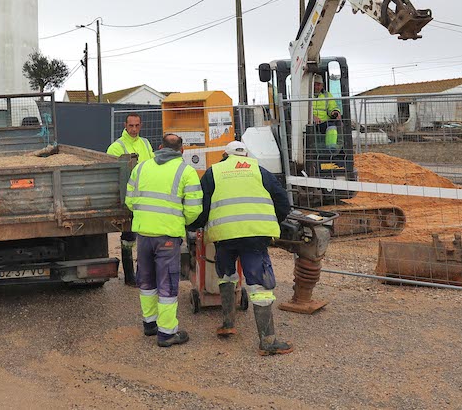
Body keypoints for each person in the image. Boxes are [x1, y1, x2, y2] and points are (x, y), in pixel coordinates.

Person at [189, 139, 294, 355]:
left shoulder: (214, 172)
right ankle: (267, 341)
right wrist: (272, 220)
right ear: (245, 156)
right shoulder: (259, 171)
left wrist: (195, 225)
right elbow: (283, 201)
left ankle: (228, 324)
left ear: (225, 156)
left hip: (224, 235)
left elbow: (202, 207)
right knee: (260, 285)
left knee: (226, 275)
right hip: (254, 235)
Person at [125, 133, 202, 347]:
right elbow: (194, 209)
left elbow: (129, 201)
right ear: (182, 150)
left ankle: (150, 323)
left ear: (159, 147)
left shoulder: (141, 167)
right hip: (167, 236)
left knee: (147, 280)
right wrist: (179, 221)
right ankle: (167, 333)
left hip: (144, 234)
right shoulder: (186, 171)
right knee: (167, 283)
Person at [107, 113, 155, 286]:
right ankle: (129, 276)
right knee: (128, 237)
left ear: (141, 125)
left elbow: (153, 165)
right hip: (129, 199)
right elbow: (112, 175)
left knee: (146, 238)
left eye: (137, 125)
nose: (134, 129)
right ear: (125, 126)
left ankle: (143, 274)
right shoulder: (116, 147)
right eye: (131, 126)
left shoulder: (146, 143)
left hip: (147, 198)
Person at [312, 79, 341, 147]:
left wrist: (335, 111)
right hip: (309, 122)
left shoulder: (327, 95)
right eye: (314, 85)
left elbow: (333, 106)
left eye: (318, 85)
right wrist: (312, 117)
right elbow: (301, 109)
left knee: (333, 126)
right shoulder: (305, 95)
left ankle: (331, 148)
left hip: (324, 122)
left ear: (322, 85)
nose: (316, 87)